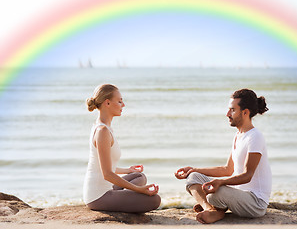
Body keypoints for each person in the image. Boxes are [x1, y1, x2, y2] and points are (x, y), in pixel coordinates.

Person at [175, 88, 271, 224]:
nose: (227, 114)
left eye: (232, 110)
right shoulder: (238, 136)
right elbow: (227, 169)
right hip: (237, 195)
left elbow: (247, 175)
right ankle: (210, 209)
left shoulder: (255, 137)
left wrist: (221, 182)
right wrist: (195, 169)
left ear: (245, 112)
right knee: (193, 178)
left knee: (216, 192)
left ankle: (216, 207)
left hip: (255, 202)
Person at [83, 84, 161, 212]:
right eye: (119, 101)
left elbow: (103, 166)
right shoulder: (102, 131)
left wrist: (128, 170)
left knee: (139, 176)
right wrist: (139, 190)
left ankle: (124, 197)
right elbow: (107, 174)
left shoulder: (103, 127)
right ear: (107, 103)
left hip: (108, 187)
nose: (123, 105)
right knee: (155, 200)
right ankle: (124, 198)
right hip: (98, 196)